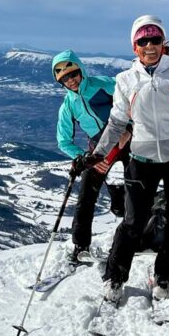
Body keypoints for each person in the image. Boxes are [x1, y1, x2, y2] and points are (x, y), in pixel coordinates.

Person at [90, 16, 169, 304]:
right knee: (133, 221)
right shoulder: (126, 80)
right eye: (142, 40)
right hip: (141, 158)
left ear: (163, 42)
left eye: (155, 39)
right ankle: (115, 276)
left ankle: (164, 275)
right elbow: (117, 122)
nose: (149, 45)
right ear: (134, 46)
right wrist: (99, 153)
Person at [51, 50, 127, 265]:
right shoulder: (68, 106)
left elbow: (132, 99)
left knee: (130, 195)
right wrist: (83, 157)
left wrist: (129, 128)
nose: (71, 81)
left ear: (81, 70)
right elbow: (63, 140)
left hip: (127, 141)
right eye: (64, 79)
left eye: (73, 74)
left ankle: (141, 231)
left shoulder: (103, 84)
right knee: (86, 197)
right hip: (98, 152)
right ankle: (80, 246)